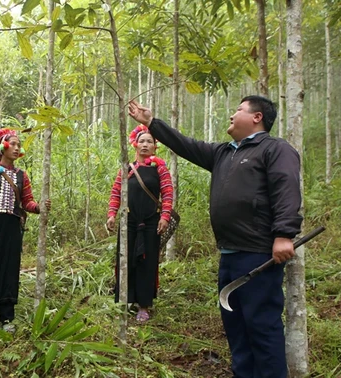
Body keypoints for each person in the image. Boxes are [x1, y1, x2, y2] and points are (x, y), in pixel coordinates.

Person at [128, 96, 302, 378]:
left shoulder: (274, 149)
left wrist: (284, 233)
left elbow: (286, 189)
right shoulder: (224, 153)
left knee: (261, 323)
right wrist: (151, 123)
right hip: (230, 253)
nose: (232, 115)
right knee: (235, 323)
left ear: (257, 117)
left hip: (259, 253)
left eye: (239, 110)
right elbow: (187, 145)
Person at [0, 128, 50, 334]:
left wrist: (39, 207)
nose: (16, 147)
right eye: (12, 144)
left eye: (18, 144)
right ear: (1, 147)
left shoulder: (22, 176)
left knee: (9, 269)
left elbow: (27, 202)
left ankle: (7, 317)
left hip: (12, 229)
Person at [106, 124, 174, 323]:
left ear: (155, 146)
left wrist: (165, 216)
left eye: (149, 142)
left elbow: (168, 194)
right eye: (142, 141)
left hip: (152, 222)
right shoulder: (127, 169)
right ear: (135, 144)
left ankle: (144, 305)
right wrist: (111, 214)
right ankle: (127, 300)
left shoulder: (160, 169)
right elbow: (116, 192)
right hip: (128, 221)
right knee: (126, 260)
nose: (145, 145)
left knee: (148, 261)